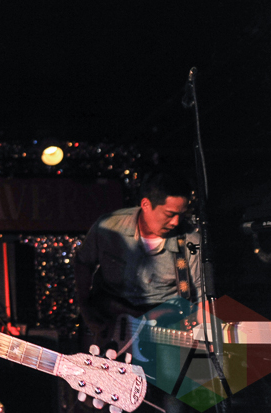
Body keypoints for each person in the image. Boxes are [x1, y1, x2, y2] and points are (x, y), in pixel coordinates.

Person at [74, 171, 205, 412]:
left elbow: (200, 297)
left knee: (172, 405)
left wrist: (199, 332)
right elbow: (83, 263)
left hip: (163, 330)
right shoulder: (108, 227)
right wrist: (86, 308)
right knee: (95, 402)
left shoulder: (190, 241)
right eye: (169, 214)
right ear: (145, 205)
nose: (176, 222)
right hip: (112, 326)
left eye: (181, 214)